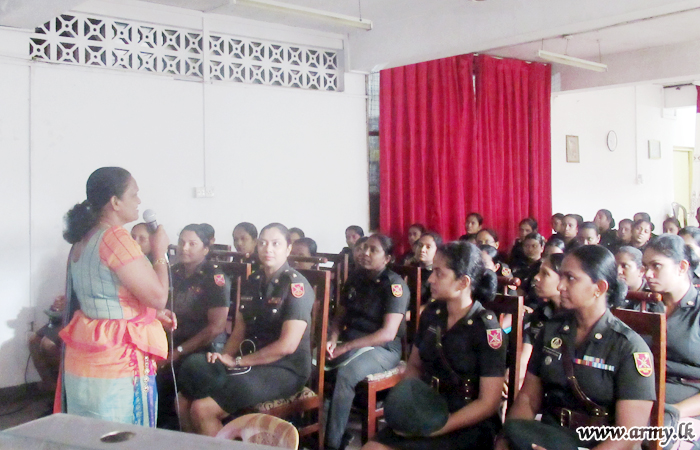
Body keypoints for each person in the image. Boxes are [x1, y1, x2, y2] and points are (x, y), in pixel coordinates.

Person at [496, 245, 656, 450]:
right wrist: (508, 436)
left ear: (599, 287)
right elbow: (528, 398)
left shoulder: (628, 347)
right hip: (549, 437)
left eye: (570, 278)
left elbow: (629, 432)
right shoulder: (552, 330)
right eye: (561, 276)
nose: (560, 286)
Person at [361, 241, 505, 450]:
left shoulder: (486, 330)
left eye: (439, 273)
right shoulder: (432, 313)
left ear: (463, 282)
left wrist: (437, 427)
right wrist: (408, 404)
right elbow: (414, 366)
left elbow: (488, 403)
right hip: (427, 406)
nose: (430, 279)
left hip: (465, 420)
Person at [175, 223, 315, 436]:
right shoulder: (252, 280)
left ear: (288, 248)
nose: (268, 249)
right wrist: (224, 357)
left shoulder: (296, 286)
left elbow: (287, 346)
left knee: (201, 409)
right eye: (263, 243)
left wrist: (238, 362)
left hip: (285, 369)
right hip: (251, 361)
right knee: (182, 401)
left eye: (275, 244)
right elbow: (239, 329)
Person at [59, 167, 170, 426]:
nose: (139, 201)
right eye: (134, 194)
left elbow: (107, 295)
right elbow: (158, 296)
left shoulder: (83, 239)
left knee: (87, 434)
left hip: (85, 360)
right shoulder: (115, 238)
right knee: (123, 435)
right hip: (116, 362)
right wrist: (160, 254)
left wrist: (152, 315)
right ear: (115, 202)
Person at [325, 234, 410, 450]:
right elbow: (339, 316)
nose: (365, 253)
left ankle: (332, 444)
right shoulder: (354, 278)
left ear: (387, 258)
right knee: (312, 363)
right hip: (350, 341)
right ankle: (310, 430)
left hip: (383, 349)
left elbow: (388, 333)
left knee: (345, 375)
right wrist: (333, 339)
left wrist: (345, 347)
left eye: (373, 250)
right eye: (363, 248)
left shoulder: (394, 285)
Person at [156, 224, 230, 429]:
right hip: (171, 341)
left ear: (206, 249)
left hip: (202, 348)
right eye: (181, 242)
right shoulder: (173, 271)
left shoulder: (214, 278)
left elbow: (215, 328)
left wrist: (178, 352)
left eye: (192, 244)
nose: (184, 248)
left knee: (179, 371)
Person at [642, 234, 700, 447]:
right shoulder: (644, 305)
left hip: (687, 408)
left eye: (656, 266)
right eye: (645, 266)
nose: (648, 274)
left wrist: (674, 413)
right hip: (641, 398)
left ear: (682, 267)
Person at [518, 253, 564, 387]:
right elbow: (526, 354)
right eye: (538, 272)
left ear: (563, 280)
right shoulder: (541, 313)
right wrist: (513, 377)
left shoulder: (576, 317)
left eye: (545, 274)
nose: (536, 278)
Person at [29, 295, 66, 395]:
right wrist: (57, 306)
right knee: (34, 341)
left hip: (78, 317)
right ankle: (51, 387)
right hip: (62, 318)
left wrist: (69, 306)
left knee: (48, 344)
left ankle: (65, 389)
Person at [413, 232, 443, 305]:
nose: (422, 250)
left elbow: (431, 305)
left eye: (428, 247)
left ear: (437, 251)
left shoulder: (439, 274)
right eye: (420, 245)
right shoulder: (410, 268)